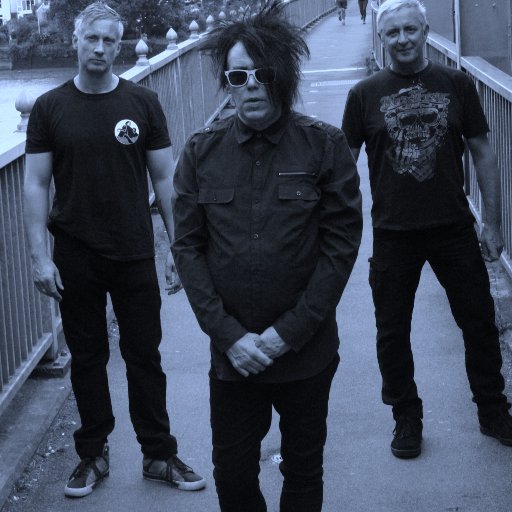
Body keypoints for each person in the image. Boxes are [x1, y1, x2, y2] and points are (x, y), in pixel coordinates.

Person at [172, 2, 363, 510]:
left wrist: (288, 334)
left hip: (306, 353)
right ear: (227, 83)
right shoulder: (200, 152)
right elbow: (187, 247)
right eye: (239, 76)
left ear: (284, 77)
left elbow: (340, 247)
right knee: (233, 476)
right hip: (233, 358)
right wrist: (229, 337)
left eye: (264, 74)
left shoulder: (324, 146)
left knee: (303, 470)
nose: (252, 85)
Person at [24, 1, 205, 498]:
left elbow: (165, 179)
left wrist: (177, 246)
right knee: (87, 357)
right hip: (75, 253)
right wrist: (40, 257)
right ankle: (92, 454)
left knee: (144, 355)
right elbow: (36, 184)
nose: (100, 48)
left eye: (109, 40)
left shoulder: (142, 103)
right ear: (75, 42)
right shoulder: (50, 107)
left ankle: (158, 454)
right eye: (92, 38)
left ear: (118, 45)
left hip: (132, 250)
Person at [342, 0, 512, 460]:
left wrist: (492, 223)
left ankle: (493, 409)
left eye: (410, 30)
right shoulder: (363, 95)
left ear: (425, 30)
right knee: (392, 331)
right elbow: (341, 167)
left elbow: (484, 153)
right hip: (393, 232)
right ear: (382, 38)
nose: (402, 39)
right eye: (392, 32)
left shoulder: (456, 84)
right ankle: (406, 417)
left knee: (479, 323)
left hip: (453, 227)